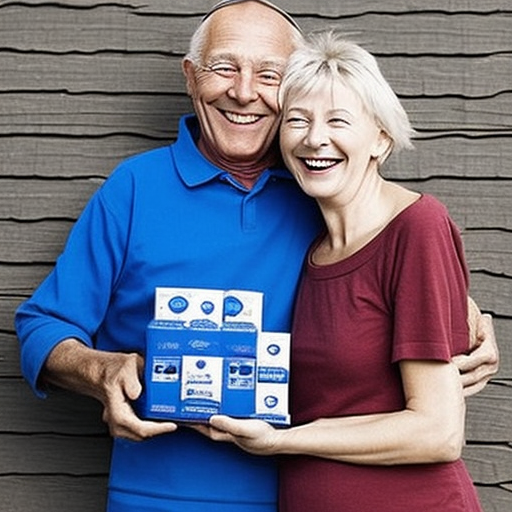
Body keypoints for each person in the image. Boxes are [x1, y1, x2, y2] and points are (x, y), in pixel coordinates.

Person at [14, 2, 497, 512]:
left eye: (269, 75)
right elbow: (42, 325)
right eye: (224, 67)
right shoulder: (133, 188)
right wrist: (100, 370)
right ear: (190, 77)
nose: (243, 92)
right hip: (161, 493)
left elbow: (397, 267)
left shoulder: (323, 189)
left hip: (299, 490)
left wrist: (468, 318)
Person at [199, 32, 485, 511]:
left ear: (380, 138)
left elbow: (438, 432)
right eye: (297, 121)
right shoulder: (310, 245)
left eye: (338, 121)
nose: (314, 139)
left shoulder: (417, 227)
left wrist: (281, 441)